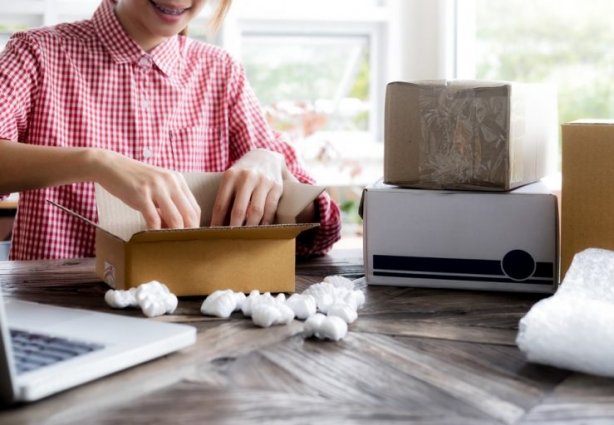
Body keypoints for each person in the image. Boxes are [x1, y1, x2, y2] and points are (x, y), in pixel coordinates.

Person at [0, 0, 341, 260]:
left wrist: (272, 165)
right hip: (55, 316)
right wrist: (97, 163)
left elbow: (322, 226)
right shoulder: (36, 53)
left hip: (196, 319)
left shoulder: (221, 73)